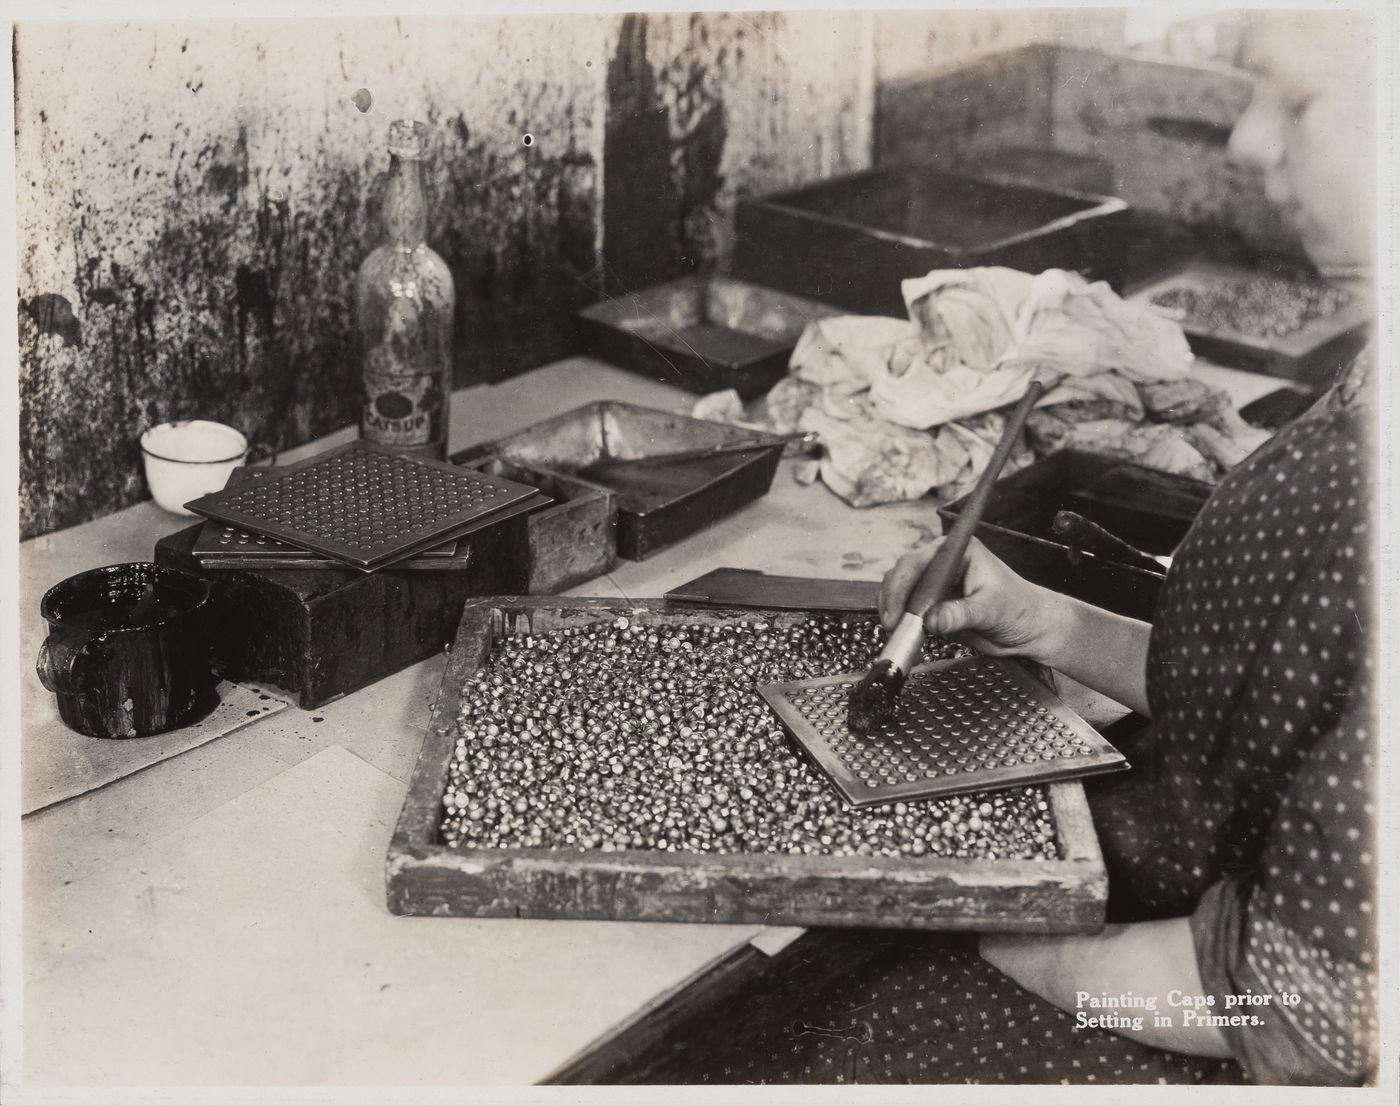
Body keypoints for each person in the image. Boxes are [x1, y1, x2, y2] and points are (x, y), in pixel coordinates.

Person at [611, 10, 1378, 1088]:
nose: (1248, 144)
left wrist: (1003, 939)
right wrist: (1054, 625)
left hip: (1214, 1018)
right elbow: (1282, 690)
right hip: (1182, 886)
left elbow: (1308, 1011)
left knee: (826, 1034)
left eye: (1292, 100)